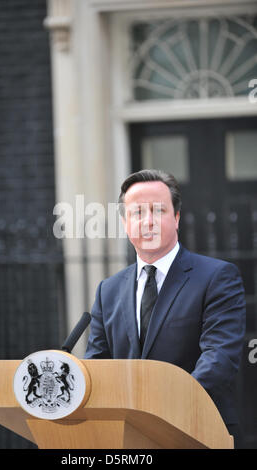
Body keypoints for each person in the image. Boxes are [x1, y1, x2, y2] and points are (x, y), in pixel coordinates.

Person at [84, 169, 246, 448]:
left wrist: (159, 407)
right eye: (137, 213)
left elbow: (219, 359)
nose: (148, 222)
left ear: (177, 218)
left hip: (199, 430)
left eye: (158, 210)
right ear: (125, 223)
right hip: (127, 439)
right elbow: (97, 365)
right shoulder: (107, 291)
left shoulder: (217, 277)